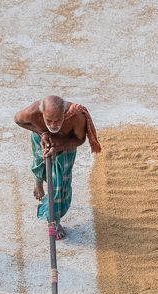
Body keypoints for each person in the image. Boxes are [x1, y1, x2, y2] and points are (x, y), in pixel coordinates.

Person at [13, 95, 101, 239]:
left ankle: (54, 220)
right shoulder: (33, 112)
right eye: (49, 121)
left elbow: (80, 139)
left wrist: (58, 147)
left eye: (58, 121)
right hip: (40, 138)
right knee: (39, 163)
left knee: (59, 184)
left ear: (64, 114)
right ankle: (38, 181)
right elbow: (17, 120)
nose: (53, 125)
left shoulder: (76, 116)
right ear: (42, 114)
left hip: (66, 144)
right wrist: (42, 132)